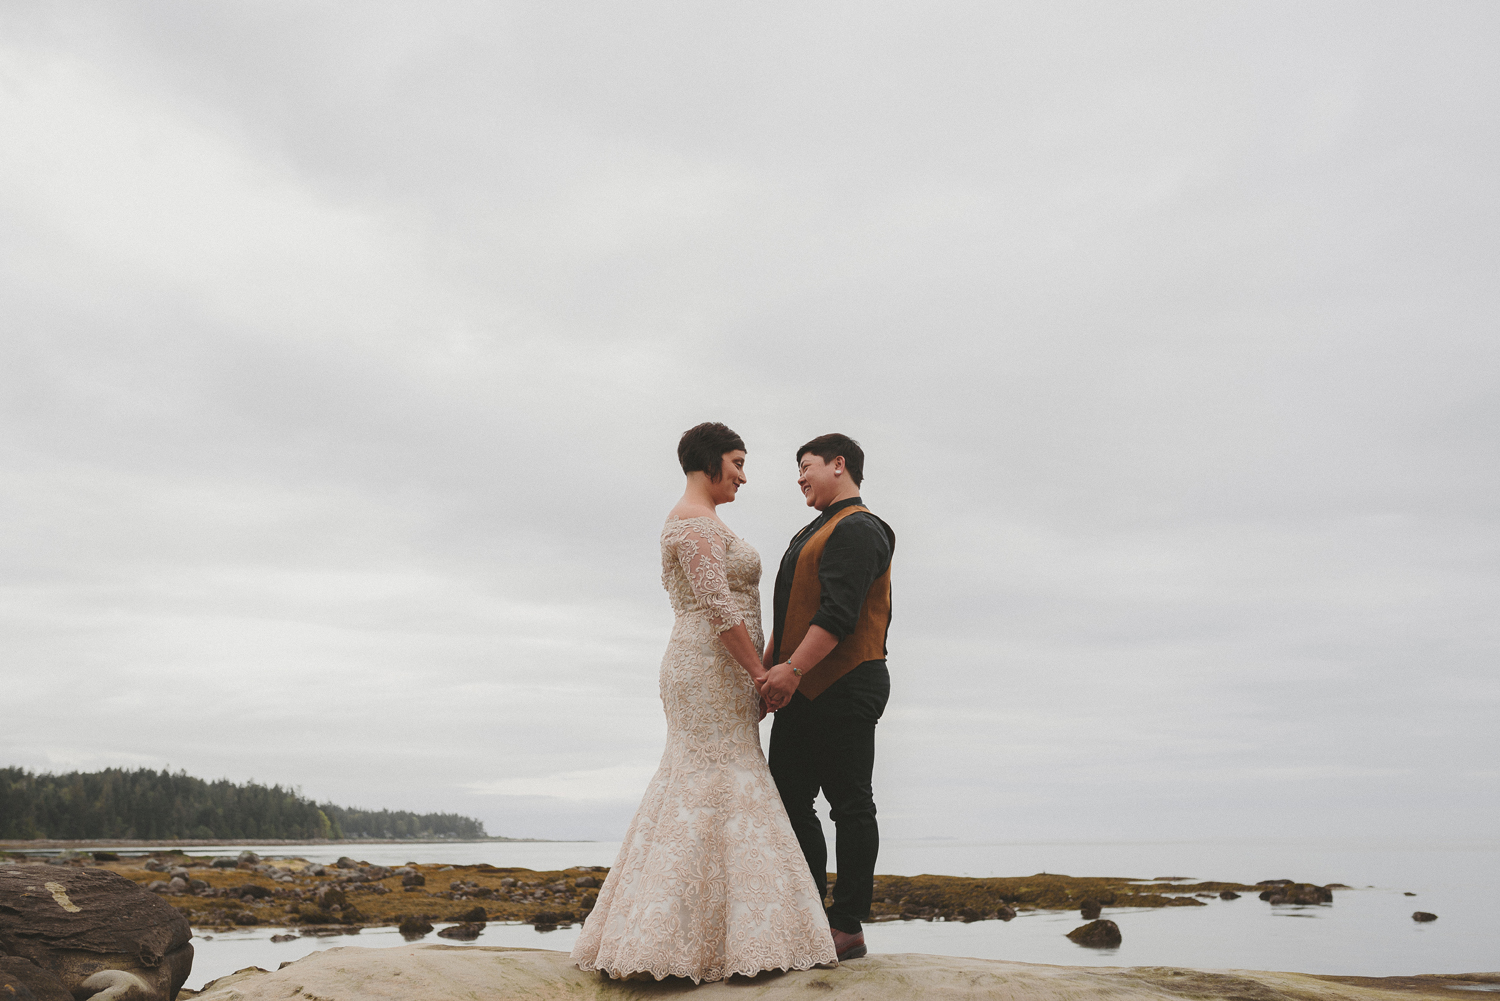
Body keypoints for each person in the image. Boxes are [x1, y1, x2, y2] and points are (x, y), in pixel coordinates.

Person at [571, 422, 837, 983]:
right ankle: (671, 936)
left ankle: (729, 930)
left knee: (723, 775)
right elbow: (718, 606)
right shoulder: (691, 525)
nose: (743, 474)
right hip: (706, 668)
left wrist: (755, 672)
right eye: (737, 462)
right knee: (706, 775)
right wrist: (762, 672)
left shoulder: (710, 522)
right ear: (709, 461)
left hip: (728, 669)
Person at [759, 433, 895, 963]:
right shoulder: (809, 531)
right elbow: (789, 612)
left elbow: (838, 614)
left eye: (806, 466)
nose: (799, 477)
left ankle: (847, 925)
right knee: (789, 802)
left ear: (840, 465)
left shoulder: (860, 528)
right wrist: (769, 671)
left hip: (848, 683)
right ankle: (811, 915)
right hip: (800, 687)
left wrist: (790, 671)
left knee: (851, 804)